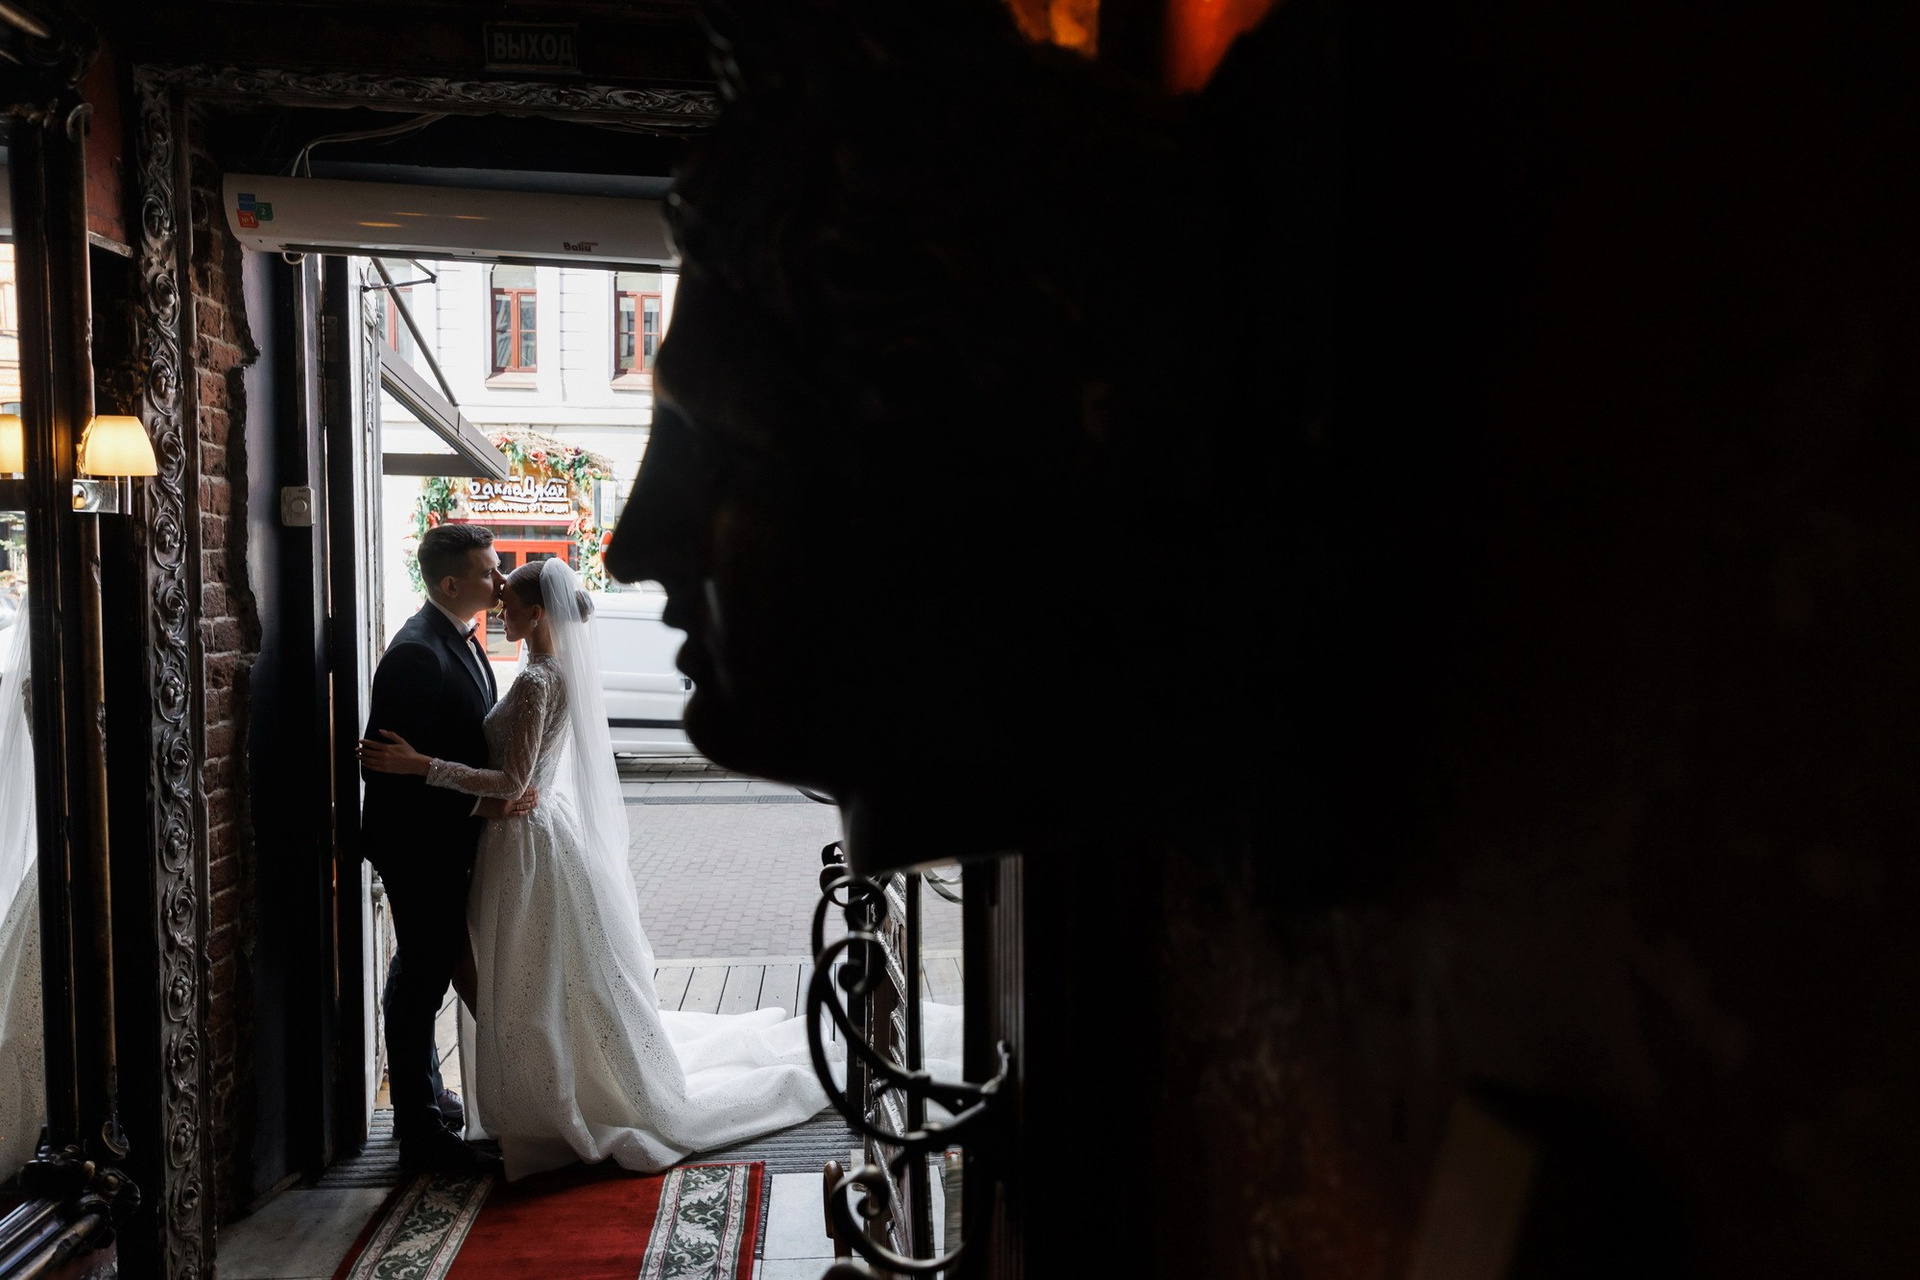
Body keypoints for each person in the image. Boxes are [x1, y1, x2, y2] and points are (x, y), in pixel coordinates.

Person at [358, 557, 830, 1181]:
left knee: (529, 975)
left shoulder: (538, 680)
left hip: (523, 841)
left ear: (537, 614)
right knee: (535, 974)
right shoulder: (535, 669)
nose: (499, 601)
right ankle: (540, 1089)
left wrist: (420, 765)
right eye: (493, 582)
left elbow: (514, 782)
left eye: (509, 600)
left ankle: (549, 1097)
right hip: (521, 834)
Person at [361, 523, 534, 1172]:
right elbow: (389, 773)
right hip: (417, 846)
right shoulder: (417, 653)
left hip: (445, 839)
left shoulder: (457, 636)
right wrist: (481, 804)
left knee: (423, 971)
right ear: (452, 584)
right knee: (421, 980)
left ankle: (429, 1099)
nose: (500, 579)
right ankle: (421, 1133)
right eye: (489, 570)